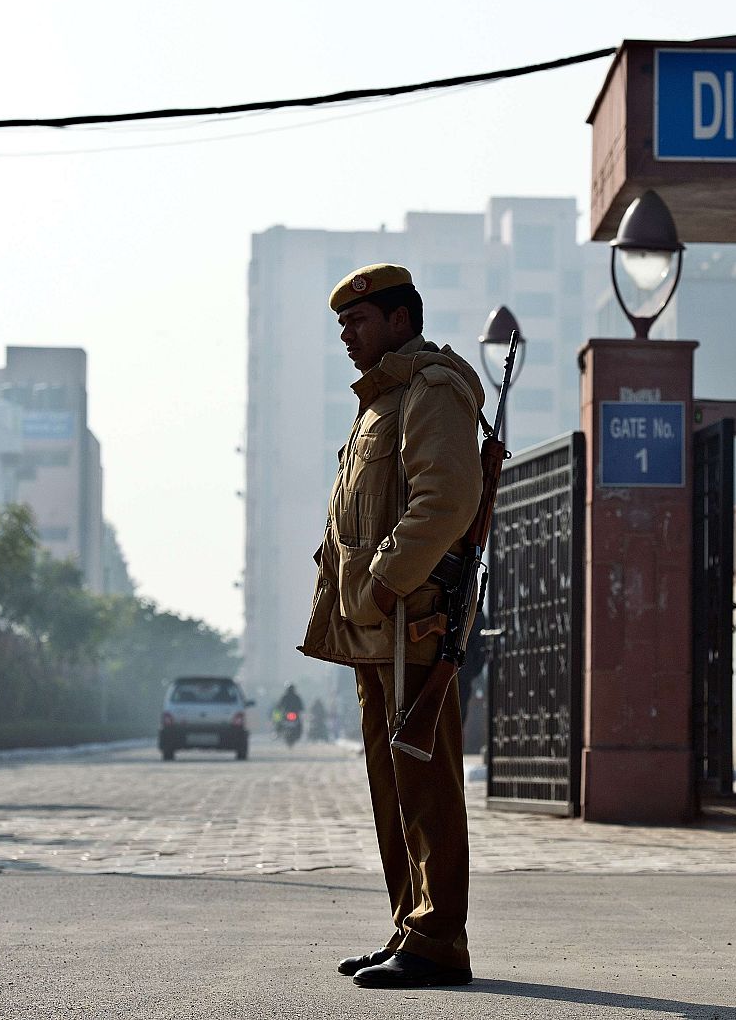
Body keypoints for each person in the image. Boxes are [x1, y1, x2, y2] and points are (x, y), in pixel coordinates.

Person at [297, 262, 482, 989]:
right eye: (343, 324)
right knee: (392, 783)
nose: (348, 334)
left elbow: (446, 500)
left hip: (411, 621)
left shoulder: (432, 388)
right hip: (375, 628)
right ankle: (411, 923)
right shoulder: (381, 398)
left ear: (401, 320)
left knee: (425, 779)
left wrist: (381, 583)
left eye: (360, 321)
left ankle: (440, 938)